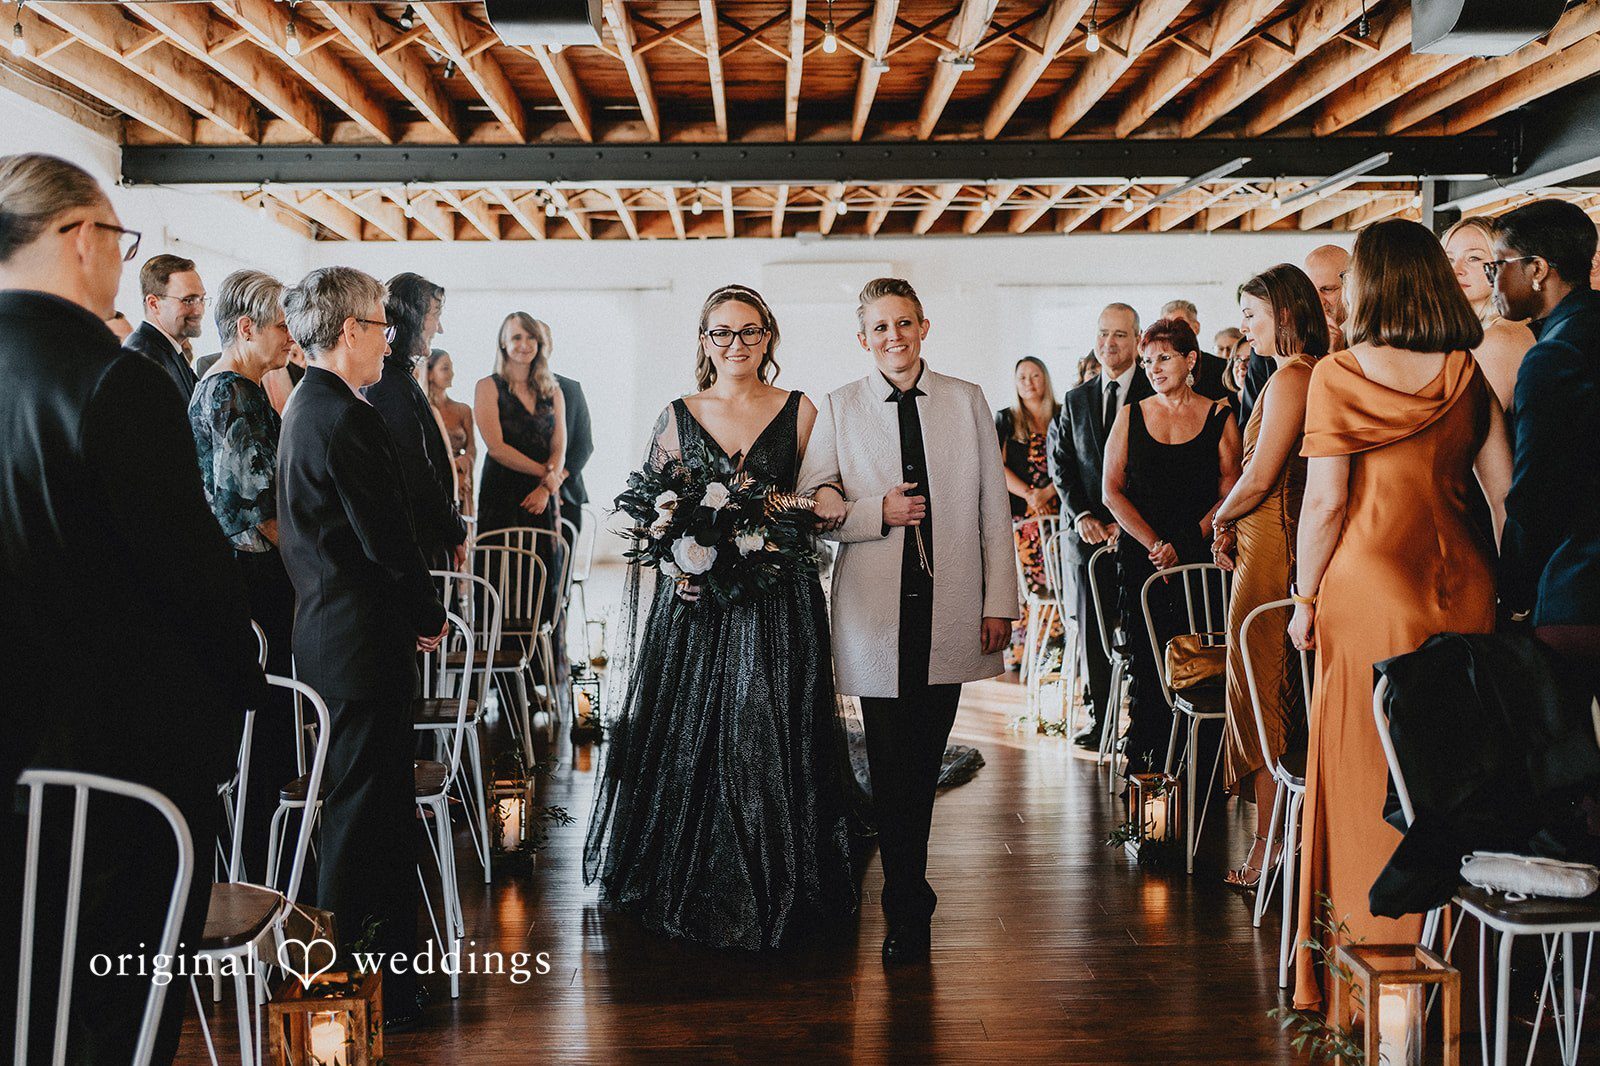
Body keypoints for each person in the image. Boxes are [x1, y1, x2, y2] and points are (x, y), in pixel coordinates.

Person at [0, 153, 263, 1064]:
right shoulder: (113, 379)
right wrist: (239, 693)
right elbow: (195, 579)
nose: (120, 258)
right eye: (120, 238)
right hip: (113, 775)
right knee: (113, 1019)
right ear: (79, 239)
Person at [584, 284, 856, 950]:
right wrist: (681, 564)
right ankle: (688, 870)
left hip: (777, 596)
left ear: (769, 336)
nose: (736, 345)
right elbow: (655, 511)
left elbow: (830, 489)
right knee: (695, 735)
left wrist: (816, 497)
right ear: (703, 341)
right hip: (697, 603)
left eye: (749, 332)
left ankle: (779, 873)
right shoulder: (678, 414)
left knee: (767, 723)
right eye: (721, 333)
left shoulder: (800, 410)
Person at [1288, 219, 1512, 1011]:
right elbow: (1504, 495)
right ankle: (1449, 974)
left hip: (1369, 590)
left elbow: (1325, 505)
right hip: (1465, 587)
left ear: (1371, 284)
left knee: (1363, 777)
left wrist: (1304, 601)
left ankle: (1368, 988)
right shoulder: (1465, 371)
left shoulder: (1338, 374)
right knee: (1449, 780)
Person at [801, 277, 1018, 964]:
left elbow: (993, 509)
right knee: (892, 762)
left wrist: (999, 603)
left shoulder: (966, 400)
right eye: (880, 327)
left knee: (921, 763)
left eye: (904, 323)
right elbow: (813, 504)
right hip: (875, 616)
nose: (894, 337)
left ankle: (907, 891)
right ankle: (906, 904)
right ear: (863, 338)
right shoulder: (839, 406)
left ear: (924, 326)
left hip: (950, 611)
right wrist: (874, 513)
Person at [277, 266, 448, 1029]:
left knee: (364, 811)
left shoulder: (310, 406)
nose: (392, 339)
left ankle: (365, 975)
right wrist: (428, 609)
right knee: (363, 819)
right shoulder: (347, 416)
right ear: (348, 330)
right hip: (357, 640)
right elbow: (388, 541)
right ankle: (350, 982)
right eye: (382, 326)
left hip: (331, 632)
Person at [1208, 265, 1329, 890]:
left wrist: (1214, 521)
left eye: (1252, 315)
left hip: (1273, 548)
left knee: (1264, 695)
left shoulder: (1294, 377)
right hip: (1263, 540)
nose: (1245, 328)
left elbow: (1259, 478)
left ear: (1284, 313)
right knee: (1263, 690)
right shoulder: (1295, 375)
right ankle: (1277, 841)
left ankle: (1269, 850)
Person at [188, 269, 300, 884]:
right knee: (265, 719)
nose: (291, 337)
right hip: (250, 575)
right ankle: (260, 865)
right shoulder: (229, 392)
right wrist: (311, 573)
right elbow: (259, 506)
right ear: (245, 326)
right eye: (282, 325)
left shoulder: (249, 388)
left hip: (253, 570)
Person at [1103, 316, 1242, 770]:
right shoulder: (1131, 415)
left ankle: (1199, 768)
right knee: (1148, 662)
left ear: (1191, 359)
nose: (1154, 368)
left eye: (1164, 358)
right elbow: (1111, 490)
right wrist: (1155, 544)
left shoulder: (1221, 415)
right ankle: (1149, 772)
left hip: (1200, 558)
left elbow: (1230, 490)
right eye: (1147, 361)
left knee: (1200, 658)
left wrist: (1184, 543)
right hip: (1143, 557)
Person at [1494, 200, 1600, 689]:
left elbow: (1536, 492)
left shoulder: (1554, 355)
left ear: (1537, 269)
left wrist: (1512, 594)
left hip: (1580, 588)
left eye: (1499, 265)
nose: (1495, 279)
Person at [1048, 304, 1153, 752]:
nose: (1110, 343)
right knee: (1092, 631)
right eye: (1103, 334)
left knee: (1141, 629)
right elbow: (1062, 465)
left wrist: (1124, 525)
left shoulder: (1155, 390)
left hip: (1141, 536)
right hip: (1087, 536)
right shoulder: (1076, 399)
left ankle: (1143, 723)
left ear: (1138, 339)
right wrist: (1083, 517)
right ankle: (1100, 718)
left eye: (1120, 335)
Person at [367, 272, 466, 570]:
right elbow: (416, 469)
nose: (440, 328)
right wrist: (455, 528)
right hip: (414, 543)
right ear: (413, 317)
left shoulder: (399, 378)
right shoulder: (390, 384)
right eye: (435, 315)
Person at [476, 312, 567, 623]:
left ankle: (541, 667)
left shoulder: (552, 390)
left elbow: (559, 445)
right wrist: (548, 476)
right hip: (502, 496)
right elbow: (497, 448)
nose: (525, 344)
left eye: (530, 337)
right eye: (517, 337)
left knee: (542, 580)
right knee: (503, 576)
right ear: (503, 342)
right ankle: (500, 665)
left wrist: (547, 487)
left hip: (543, 500)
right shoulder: (487, 387)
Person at [996, 356, 1063, 670]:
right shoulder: (1006, 419)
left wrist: (1048, 492)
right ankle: (1025, 654)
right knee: (1025, 587)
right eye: (1022, 377)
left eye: (1035, 375)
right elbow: (997, 465)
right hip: (1022, 518)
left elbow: (1073, 463)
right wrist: (1029, 494)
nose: (1029, 383)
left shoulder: (1062, 415)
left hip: (1058, 516)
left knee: (1058, 583)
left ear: (1045, 378)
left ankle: (1057, 653)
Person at [1443, 216, 1537, 410]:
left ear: (1500, 265)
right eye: (1449, 259)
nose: (1456, 269)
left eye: (1474, 258)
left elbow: (1469, 428)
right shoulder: (1479, 332)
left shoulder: (1499, 339)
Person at [536, 319, 594, 550]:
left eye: (541, 342)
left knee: (561, 575)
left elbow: (584, 445)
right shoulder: (506, 391)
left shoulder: (570, 389)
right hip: (524, 494)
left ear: (549, 347)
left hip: (567, 492)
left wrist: (556, 481)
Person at [124, 253, 206, 402]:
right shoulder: (142, 361)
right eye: (188, 300)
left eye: (201, 299)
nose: (199, 310)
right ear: (154, 304)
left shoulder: (169, 350)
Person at [425, 348, 476, 516]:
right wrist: (451, 468)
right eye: (445, 368)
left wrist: (465, 469)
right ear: (430, 373)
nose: (451, 373)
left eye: (451, 368)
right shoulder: (425, 410)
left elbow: (472, 447)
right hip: (436, 478)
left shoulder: (463, 410)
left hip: (463, 478)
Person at [1161, 298, 1230, 400]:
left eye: (1179, 324)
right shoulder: (1158, 370)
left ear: (1196, 328)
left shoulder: (1222, 368)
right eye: (1166, 326)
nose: (1172, 332)